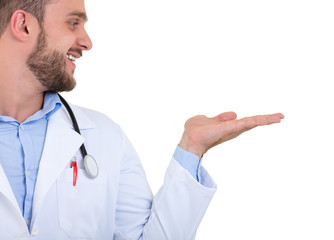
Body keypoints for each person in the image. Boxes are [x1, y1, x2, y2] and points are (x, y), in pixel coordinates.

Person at [0, 0, 284, 239]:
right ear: (23, 25)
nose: (87, 41)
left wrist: (191, 149)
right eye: (73, 23)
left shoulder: (104, 136)